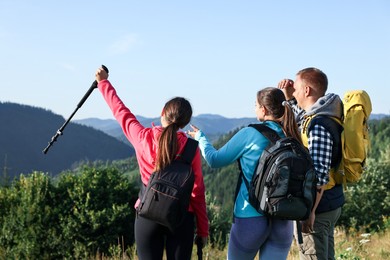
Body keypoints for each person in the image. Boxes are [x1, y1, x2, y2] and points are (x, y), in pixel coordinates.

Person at [95, 67, 209, 260]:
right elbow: (197, 191)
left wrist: (103, 82)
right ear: (186, 121)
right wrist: (203, 230)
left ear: (162, 112)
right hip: (182, 217)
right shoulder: (191, 148)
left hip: (147, 214)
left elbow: (120, 111)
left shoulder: (143, 137)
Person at [188, 87, 301, 260]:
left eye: (255, 105)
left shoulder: (250, 133)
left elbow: (214, 159)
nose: (254, 108)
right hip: (284, 218)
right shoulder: (292, 133)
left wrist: (200, 138)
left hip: (250, 216)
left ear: (263, 109)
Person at [278, 67, 345, 260]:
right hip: (330, 201)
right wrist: (289, 98)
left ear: (307, 91)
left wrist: (309, 212)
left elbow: (320, 175)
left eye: (297, 88)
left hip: (318, 206)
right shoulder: (323, 115)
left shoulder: (318, 126)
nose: (295, 92)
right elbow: (300, 117)